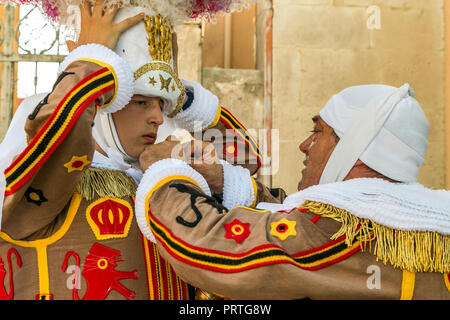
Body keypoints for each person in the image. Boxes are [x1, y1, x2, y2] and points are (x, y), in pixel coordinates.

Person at [0, 0, 260, 300]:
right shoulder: (52, 173)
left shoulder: (159, 166)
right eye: (141, 102)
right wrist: (89, 62)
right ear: (101, 103)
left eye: (162, 105)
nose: (159, 117)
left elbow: (246, 160)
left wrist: (184, 98)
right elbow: (58, 130)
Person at [135, 83, 450, 299]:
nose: (304, 144)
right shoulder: (420, 215)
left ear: (355, 149)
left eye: (317, 132)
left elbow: (213, 249)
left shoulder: (336, 227)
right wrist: (226, 182)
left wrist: (166, 172)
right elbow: (295, 219)